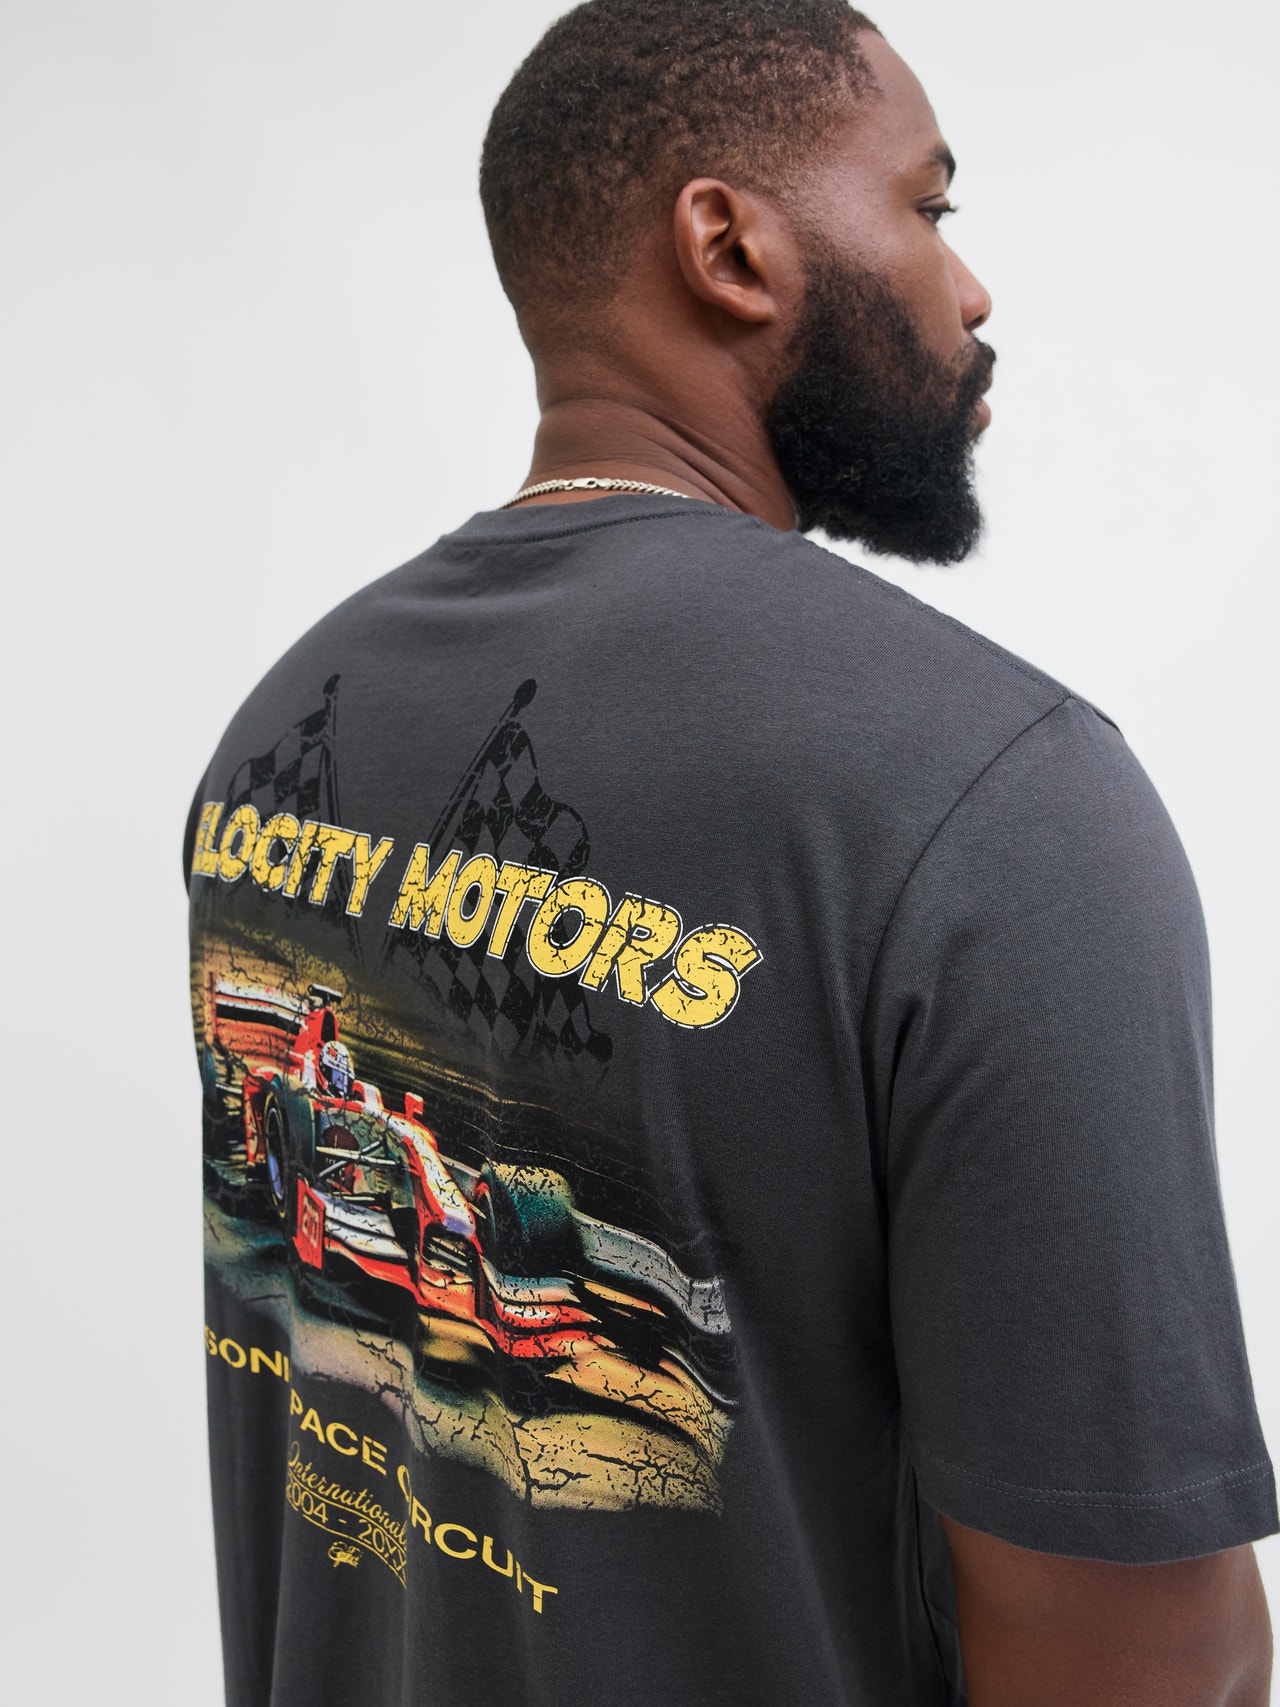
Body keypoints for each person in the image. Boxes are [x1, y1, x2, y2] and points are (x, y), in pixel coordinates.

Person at [185, 2, 1276, 1702]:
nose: (970, 289)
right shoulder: (992, 799)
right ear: (731, 249)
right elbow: (1140, 1654)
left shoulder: (277, 735)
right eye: (928, 207)